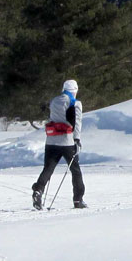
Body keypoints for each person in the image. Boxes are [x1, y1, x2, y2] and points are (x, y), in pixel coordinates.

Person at [32, 79, 86, 209]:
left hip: (51, 140)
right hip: (67, 141)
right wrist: (77, 140)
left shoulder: (54, 101)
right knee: (75, 171)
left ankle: (38, 190)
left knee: (48, 168)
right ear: (75, 91)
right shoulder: (75, 103)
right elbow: (77, 122)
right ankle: (78, 200)